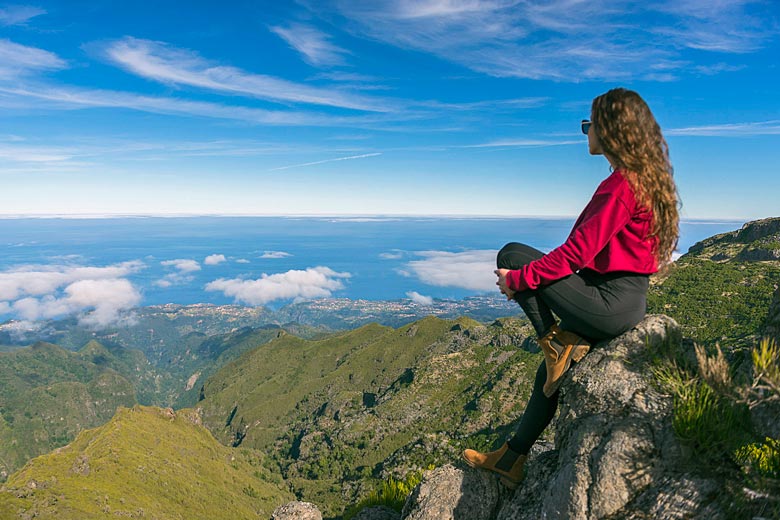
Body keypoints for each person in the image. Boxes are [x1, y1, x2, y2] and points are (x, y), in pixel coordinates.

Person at [462, 88, 680, 489]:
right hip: (623, 299)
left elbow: (575, 254)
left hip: (608, 301)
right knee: (549, 377)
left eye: (589, 125)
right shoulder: (641, 181)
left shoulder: (621, 186)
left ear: (611, 130)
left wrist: (518, 280)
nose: (586, 132)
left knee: (512, 255)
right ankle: (510, 459)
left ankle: (554, 340)